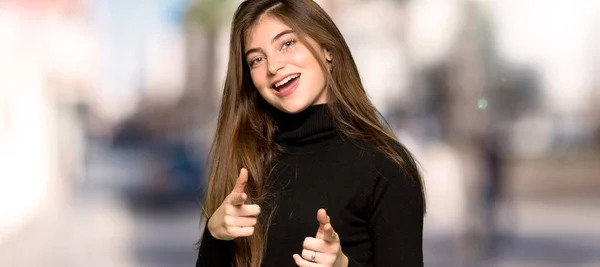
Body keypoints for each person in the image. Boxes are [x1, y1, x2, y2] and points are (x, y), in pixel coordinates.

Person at [196, 0, 425, 266]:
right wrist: (214, 235)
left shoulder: (386, 165)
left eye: (287, 43)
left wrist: (342, 265)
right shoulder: (246, 162)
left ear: (327, 48)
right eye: (257, 59)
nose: (273, 67)